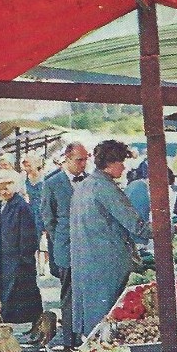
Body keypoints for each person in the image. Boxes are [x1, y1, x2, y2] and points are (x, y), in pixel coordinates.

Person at [70, 140, 152, 335]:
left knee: (93, 325)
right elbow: (137, 226)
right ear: (111, 162)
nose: (124, 167)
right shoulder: (106, 188)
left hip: (87, 264)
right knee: (108, 325)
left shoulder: (84, 186)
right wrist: (176, 228)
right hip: (108, 265)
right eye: (121, 162)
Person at [43, 142, 88, 350]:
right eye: (79, 160)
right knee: (69, 296)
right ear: (67, 159)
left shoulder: (89, 181)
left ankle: (88, 338)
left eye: (86, 159)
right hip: (66, 249)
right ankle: (70, 343)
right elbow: (48, 219)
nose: (84, 164)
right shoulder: (52, 183)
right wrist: (60, 240)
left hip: (89, 250)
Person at [0, 168, 43, 325]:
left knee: (22, 298)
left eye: (6, 187)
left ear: (14, 186)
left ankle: (37, 324)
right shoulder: (0, 207)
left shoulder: (22, 207)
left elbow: (29, 237)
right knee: (8, 298)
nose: (3, 192)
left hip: (19, 261)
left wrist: (24, 260)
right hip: (4, 259)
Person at [21, 151, 48, 276]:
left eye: (28, 165)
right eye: (25, 165)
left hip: (43, 210)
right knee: (33, 240)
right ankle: (37, 265)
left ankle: (45, 266)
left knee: (45, 241)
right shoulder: (24, 179)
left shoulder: (44, 178)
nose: (27, 168)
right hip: (30, 211)